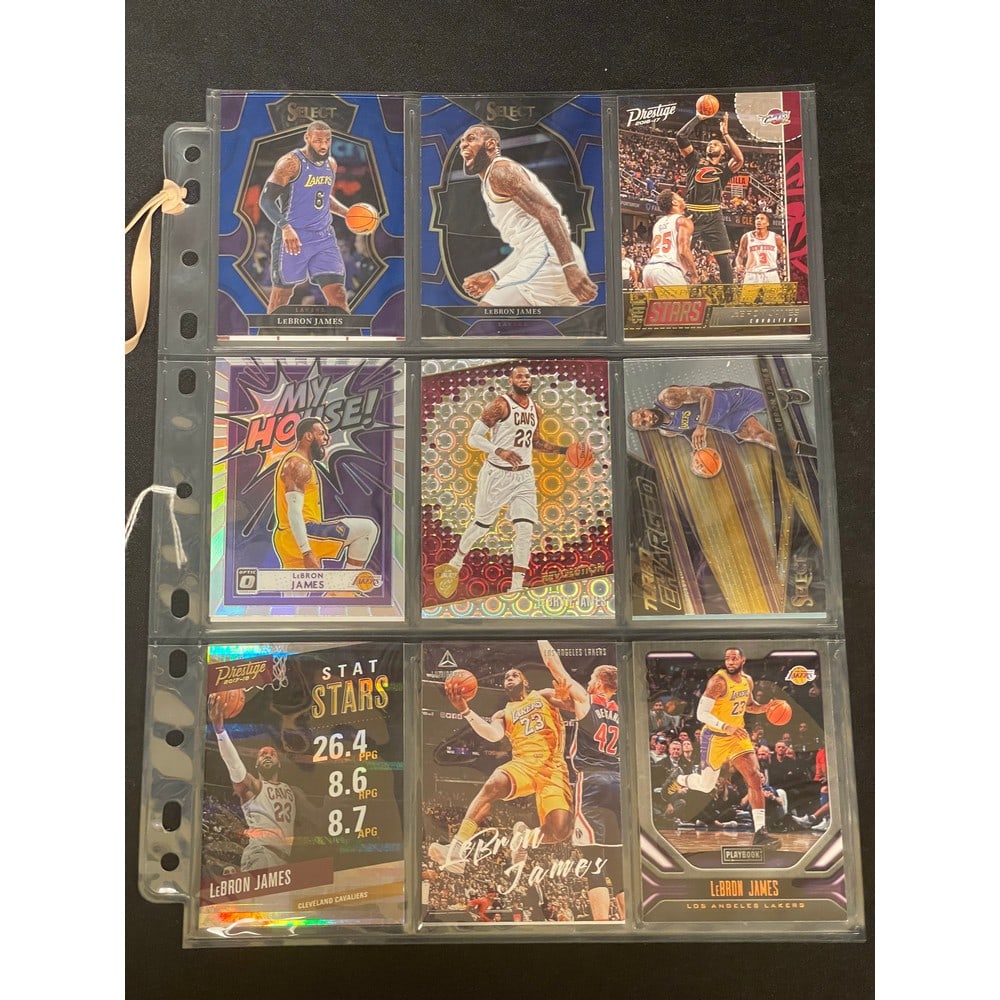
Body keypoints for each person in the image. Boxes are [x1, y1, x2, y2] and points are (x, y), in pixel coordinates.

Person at [433, 366, 584, 597]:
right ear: (511, 381)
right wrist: (499, 451)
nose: (524, 379)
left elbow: (535, 442)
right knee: (481, 525)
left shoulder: (536, 409)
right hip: (497, 474)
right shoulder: (500, 405)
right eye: (519, 376)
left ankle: (516, 588)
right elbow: (473, 438)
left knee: (525, 529)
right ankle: (456, 562)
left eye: (527, 376)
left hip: (524, 476)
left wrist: (565, 450)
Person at [427, 655, 575, 874]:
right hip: (524, 764)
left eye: (515, 675)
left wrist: (565, 700)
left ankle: (524, 838)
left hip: (553, 768)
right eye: (506, 677)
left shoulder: (542, 695)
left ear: (525, 681)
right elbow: (493, 735)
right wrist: (465, 710)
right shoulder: (502, 714)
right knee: (494, 783)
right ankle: (456, 848)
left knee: (559, 831)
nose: (510, 678)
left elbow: (572, 706)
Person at [456, 124, 598, 307]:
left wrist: (569, 267)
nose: (463, 145)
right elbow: (528, 243)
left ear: (490, 144)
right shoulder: (490, 181)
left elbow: (548, 212)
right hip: (553, 257)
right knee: (542, 326)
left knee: (486, 316)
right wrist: (495, 274)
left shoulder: (500, 172)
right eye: (462, 141)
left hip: (553, 259)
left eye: (471, 139)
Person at [536, 641, 624, 922]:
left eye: (590, 679)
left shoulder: (588, 700)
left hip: (593, 782)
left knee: (593, 862)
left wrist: (538, 634)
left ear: (598, 683)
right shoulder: (622, 711)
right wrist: (553, 697)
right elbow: (555, 698)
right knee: (618, 863)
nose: (587, 683)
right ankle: (626, 923)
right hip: (619, 783)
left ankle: (601, 927)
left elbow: (554, 665)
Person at [663, 648, 782, 848]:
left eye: (734, 658)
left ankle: (760, 833)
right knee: (706, 785)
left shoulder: (747, 681)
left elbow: (748, 705)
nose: (730, 662)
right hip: (715, 737)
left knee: (754, 777)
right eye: (727, 658)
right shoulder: (718, 681)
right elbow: (701, 714)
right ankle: (679, 778)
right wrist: (726, 726)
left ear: (743, 660)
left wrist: (764, 708)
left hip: (737, 736)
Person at [258, 120, 373, 314]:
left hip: (323, 237)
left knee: (338, 294)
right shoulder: (290, 163)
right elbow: (266, 200)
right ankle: (268, 331)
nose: (323, 145)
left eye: (327, 140)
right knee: (281, 297)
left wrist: (346, 213)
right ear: (307, 138)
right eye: (318, 140)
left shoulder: (331, 164)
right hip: (294, 237)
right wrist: (285, 227)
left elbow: (322, 197)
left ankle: (344, 333)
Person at [208, 693, 306, 871]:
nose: (267, 756)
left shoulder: (291, 791)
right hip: (261, 853)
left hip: (283, 859)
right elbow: (234, 765)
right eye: (262, 754)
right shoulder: (253, 787)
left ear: (279, 763)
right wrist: (220, 731)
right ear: (256, 764)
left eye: (272, 754)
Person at [273, 417, 379, 572]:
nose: (327, 438)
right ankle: (346, 584)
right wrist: (306, 551)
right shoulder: (299, 465)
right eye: (322, 433)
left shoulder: (295, 462)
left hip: (286, 538)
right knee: (367, 529)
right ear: (308, 436)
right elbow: (294, 512)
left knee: (298, 586)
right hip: (302, 533)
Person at [674, 108, 744, 284]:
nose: (711, 145)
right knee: (679, 255)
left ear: (723, 151)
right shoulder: (695, 160)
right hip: (692, 213)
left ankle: (729, 296)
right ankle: (679, 289)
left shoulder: (724, 169)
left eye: (716, 144)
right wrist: (698, 117)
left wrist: (725, 134)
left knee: (724, 260)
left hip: (714, 215)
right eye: (709, 144)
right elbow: (681, 136)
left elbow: (739, 159)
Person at [641, 189, 696, 288]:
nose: (682, 199)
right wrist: (694, 274)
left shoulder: (658, 223)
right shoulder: (683, 221)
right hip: (668, 270)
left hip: (649, 270)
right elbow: (683, 251)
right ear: (674, 202)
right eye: (679, 197)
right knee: (682, 299)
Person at [735, 212, 787, 284]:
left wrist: (783, 264)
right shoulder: (746, 237)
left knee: (774, 292)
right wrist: (738, 265)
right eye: (757, 219)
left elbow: (785, 254)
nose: (759, 221)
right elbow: (740, 256)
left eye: (762, 219)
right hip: (751, 273)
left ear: (767, 223)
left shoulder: (776, 237)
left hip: (770, 273)